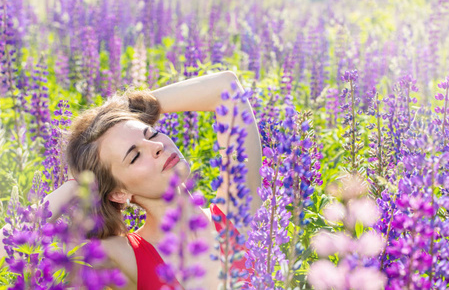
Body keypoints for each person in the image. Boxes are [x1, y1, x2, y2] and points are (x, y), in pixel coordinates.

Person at [0, 71, 262, 289]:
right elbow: (7, 251)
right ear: (118, 192)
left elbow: (225, 87)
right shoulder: (124, 255)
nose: (156, 147)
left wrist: (134, 107)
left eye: (152, 133)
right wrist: (74, 185)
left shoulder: (234, 212)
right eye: (134, 156)